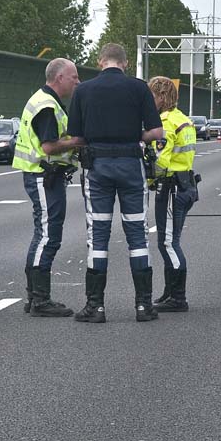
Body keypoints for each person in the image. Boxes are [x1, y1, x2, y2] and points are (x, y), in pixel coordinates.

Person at [67, 43, 164, 323]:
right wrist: (135, 137)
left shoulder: (83, 91)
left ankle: (95, 307)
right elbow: (156, 131)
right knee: (137, 234)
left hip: (97, 167)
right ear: (126, 63)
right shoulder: (138, 88)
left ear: (100, 62)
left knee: (97, 235)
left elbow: (76, 137)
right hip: (131, 166)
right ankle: (144, 306)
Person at [12, 58, 83, 317]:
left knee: (43, 234)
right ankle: (40, 300)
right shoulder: (46, 106)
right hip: (44, 175)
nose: (77, 81)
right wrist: (78, 141)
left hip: (43, 176)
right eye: (74, 76)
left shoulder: (47, 101)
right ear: (59, 77)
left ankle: (35, 297)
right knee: (47, 236)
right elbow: (49, 146)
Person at [146, 76, 198, 313]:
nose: (149, 101)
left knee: (168, 242)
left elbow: (160, 163)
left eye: (152, 96)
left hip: (171, 187)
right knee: (169, 241)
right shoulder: (183, 119)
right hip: (185, 185)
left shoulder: (165, 122)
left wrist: (146, 179)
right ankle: (169, 293)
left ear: (162, 96)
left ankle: (178, 297)